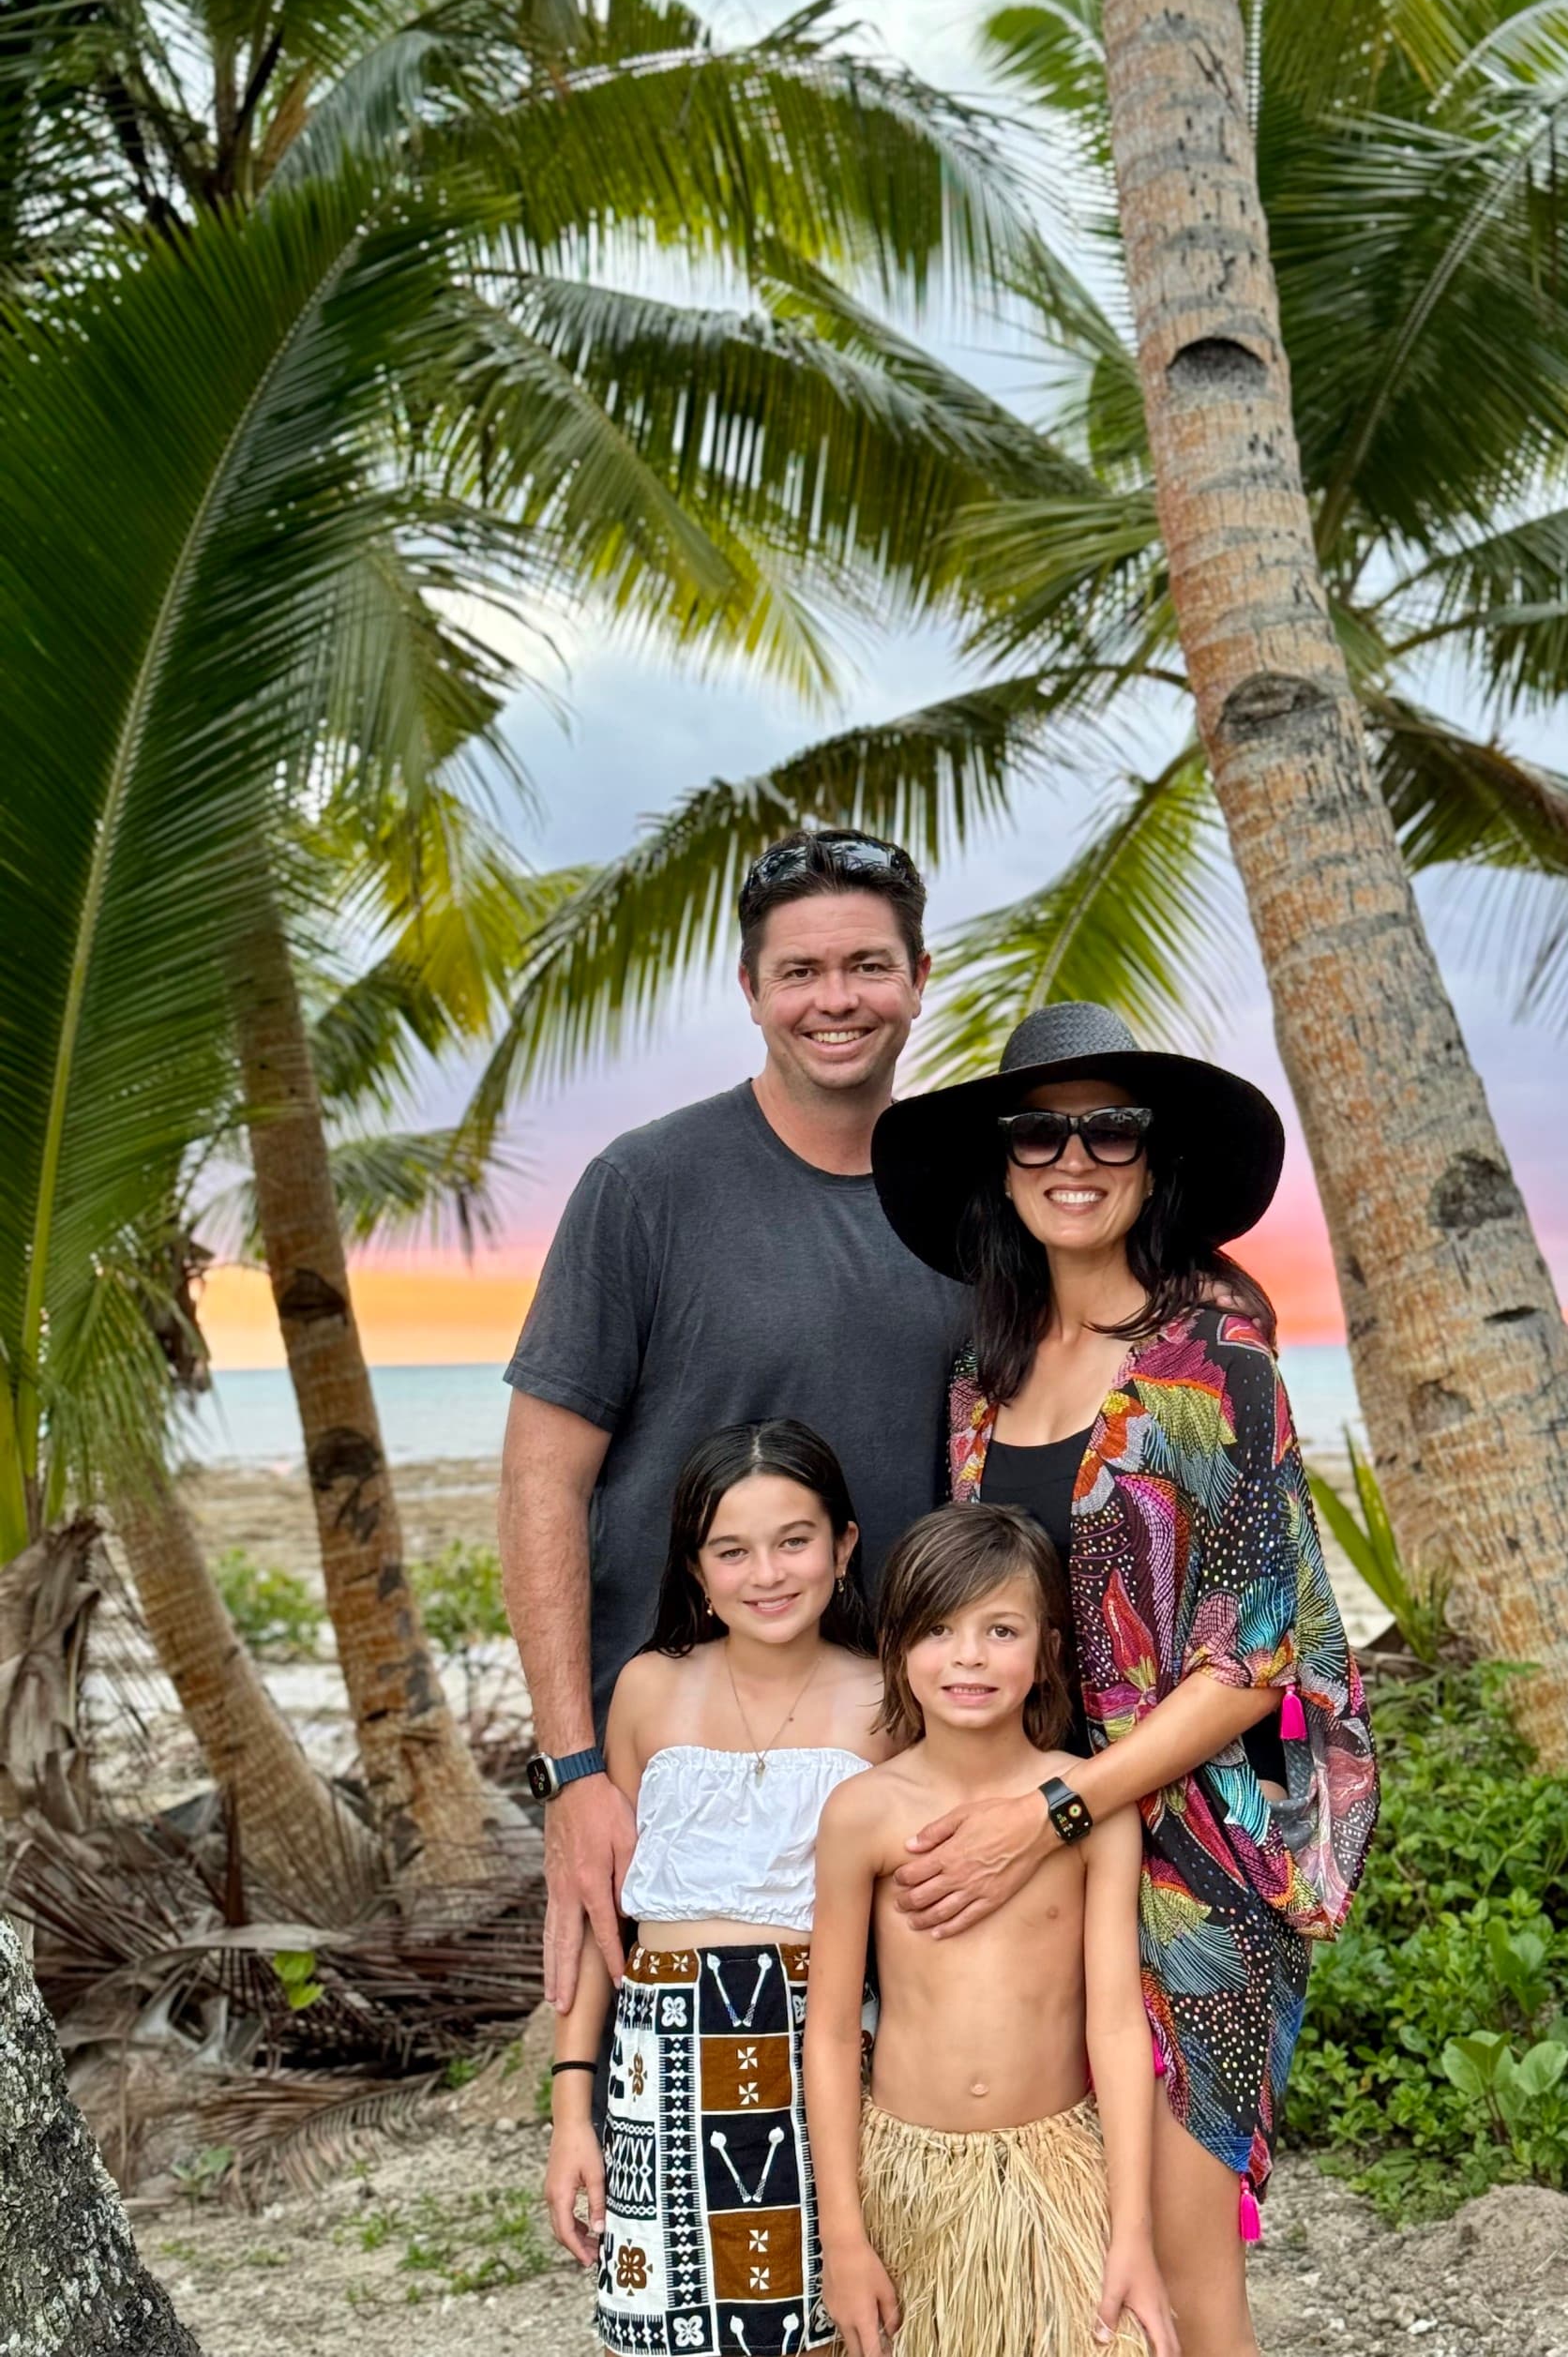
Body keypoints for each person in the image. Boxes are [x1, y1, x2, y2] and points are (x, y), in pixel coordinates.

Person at [868, 1002, 1380, 2357]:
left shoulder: (1217, 1363)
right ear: (1003, 1162)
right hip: (1036, 1839)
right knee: (1076, 2237)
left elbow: (1253, 1655)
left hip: (1191, 1853)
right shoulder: (981, 1382)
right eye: (1040, 1128)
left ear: (1153, 1162)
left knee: (1188, 2258)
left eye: (1110, 1126)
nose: (1073, 1154)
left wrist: (1058, 1808)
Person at [500, 830, 967, 2014]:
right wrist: (573, 1774)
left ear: (919, 978)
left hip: (902, 1768)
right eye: (800, 972)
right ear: (750, 990)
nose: (836, 1000)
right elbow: (540, 1486)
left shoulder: (971, 1205)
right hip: (683, 1787)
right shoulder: (645, 1187)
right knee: (674, 2156)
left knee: (894, 2163)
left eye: (867, 965)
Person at [544, 1418, 894, 2355]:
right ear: (696, 1570)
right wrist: (570, 2112)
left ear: (842, 1545)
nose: (767, 1574)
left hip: (817, 2058)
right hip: (656, 2058)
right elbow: (599, 1912)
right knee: (661, 2337)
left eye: (793, 1541)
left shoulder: (886, 1704)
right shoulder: (648, 1691)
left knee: (827, 2330)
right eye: (730, 1551)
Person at [805, 1501, 1175, 2357]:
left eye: (1000, 1629)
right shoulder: (863, 1813)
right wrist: (844, 2240)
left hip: (1056, 2164)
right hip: (907, 2172)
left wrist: (1131, 2230)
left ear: (1046, 1655)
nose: (967, 1655)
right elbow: (828, 2034)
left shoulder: (1090, 1803)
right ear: (897, 1650)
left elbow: (1116, 2022)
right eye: (938, 1629)